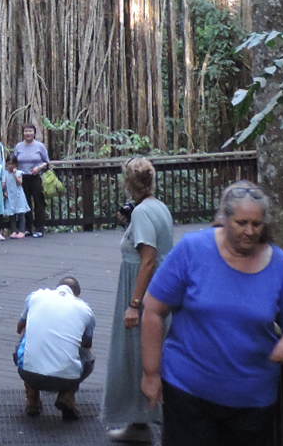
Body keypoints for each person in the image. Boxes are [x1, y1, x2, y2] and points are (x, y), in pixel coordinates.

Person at [138, 181, 283, 443]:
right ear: (225, 217)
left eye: (257, 224)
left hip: (253, 398)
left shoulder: (279, 264)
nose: (249, 231)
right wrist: (151, 373)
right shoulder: (193, 250)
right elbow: (153, 310)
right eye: (241, 223)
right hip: (189, 391)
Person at [102, 157, 175, 442]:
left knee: (140, 354)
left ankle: (161, 424)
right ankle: (138, 423)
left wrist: (135, 305)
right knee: (140, 354)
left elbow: (148, 259)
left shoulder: (144, 212)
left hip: (143, 290)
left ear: (128, 183)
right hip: (158, 287)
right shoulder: (158, 207)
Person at [14, 275, 95, 420]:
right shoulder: (85, 309)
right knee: (88, 356)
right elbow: (87, 344)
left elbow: (20, 328)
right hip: (66, 378)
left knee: (24, 342)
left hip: (28, 373)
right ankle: (67, 395)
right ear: (77, 295)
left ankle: (33, 399)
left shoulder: (36, 296)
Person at [12, 122, 51, 236]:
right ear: (23, 133)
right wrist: (14, 172)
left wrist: (39, 168)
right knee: (25, 203)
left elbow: (47, 162)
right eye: (26, 131)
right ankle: (27, 228)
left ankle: (39, 228)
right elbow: (14, 162)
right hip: (22, 178)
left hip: (35, 177)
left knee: (39, 203)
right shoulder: (18, 146)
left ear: (34, 133)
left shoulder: (40, 146)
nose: (28, 133)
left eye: (30, 131)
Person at [3, 155, 30, 238]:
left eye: (12, 164)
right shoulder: (5, 173)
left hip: (18, 196)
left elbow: (19, 183)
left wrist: (15, 174)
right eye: (9, 164)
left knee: (21, 213)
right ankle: (14, 230)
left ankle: (22, 230)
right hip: (10, 196)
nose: (10, 166)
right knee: (12, 214)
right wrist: (4, 191)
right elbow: (4, 184)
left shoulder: (18, 172)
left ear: (16, 165)